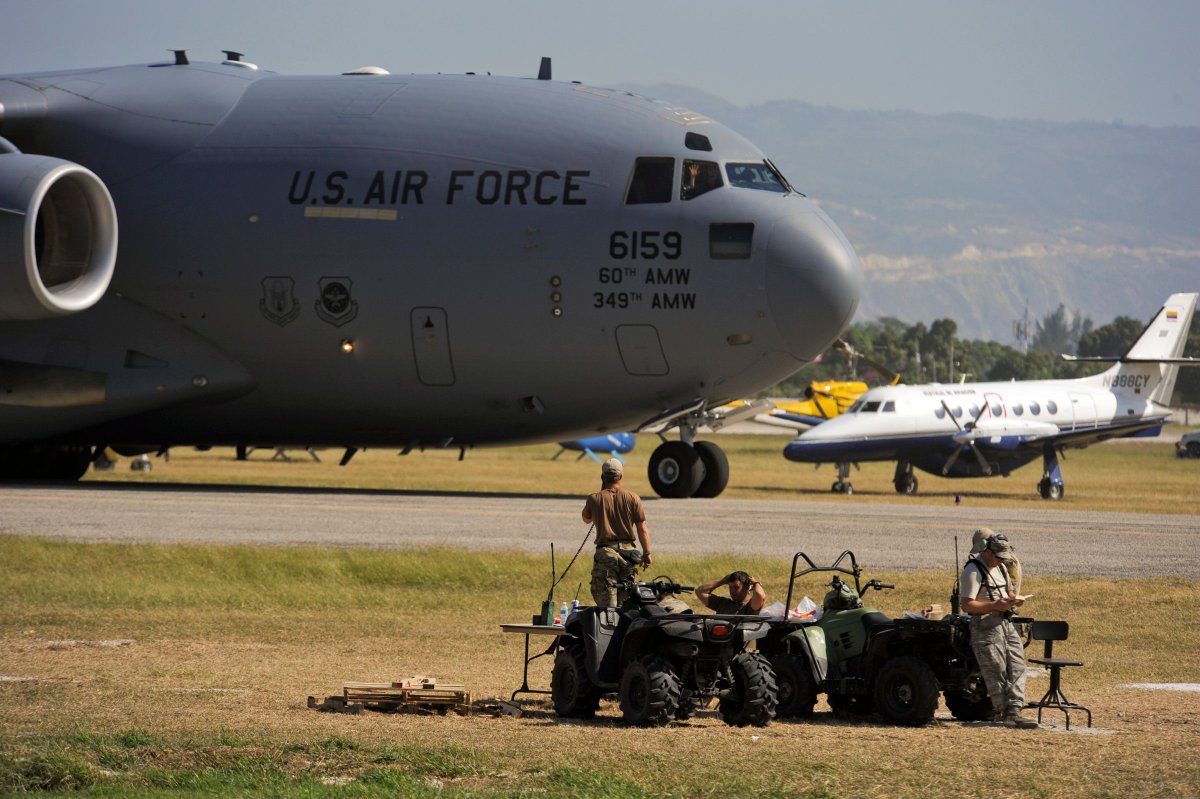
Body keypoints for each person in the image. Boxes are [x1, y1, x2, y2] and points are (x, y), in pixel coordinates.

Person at [959, 528, 1037, 728]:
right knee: (996, 670)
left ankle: (1014, 710)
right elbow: (967, 605)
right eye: (998, 557)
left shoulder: (1001, 568)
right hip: (984, 626)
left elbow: (1009, 591)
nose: (1001, 561)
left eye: (1004, 557)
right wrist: (994, 605)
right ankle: (1002, 712)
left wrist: (1013, 600)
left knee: (1017, 665)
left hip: (1005, 622)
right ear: (987, 551)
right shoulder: (973, 570)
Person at [582, 457, 651, 607]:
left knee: (608, 605)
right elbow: (642, 529)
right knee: (626, 605)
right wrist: (646, 553)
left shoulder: (594, 498)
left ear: (602, 477)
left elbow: (586, 519)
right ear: (621, 477)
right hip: (629, 556)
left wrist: (600, 503)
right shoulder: (633, 498)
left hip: (606, 554)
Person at [695, 571, 766, 614]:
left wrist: (756, 583)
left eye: (736, 587)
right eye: (730, 587)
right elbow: (699, 591)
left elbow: (760, 595)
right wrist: (722, 581)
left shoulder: (750, 607)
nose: (732, 591)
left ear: (747, 587)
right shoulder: (722, 603)